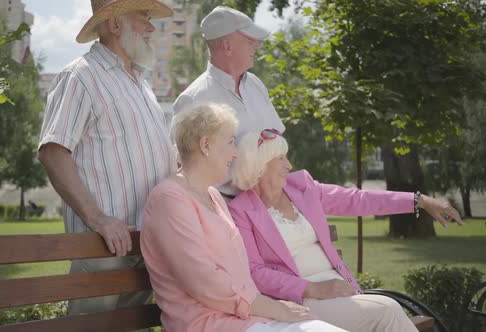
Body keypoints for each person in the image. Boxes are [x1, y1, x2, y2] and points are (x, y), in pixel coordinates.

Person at [227, 129, 464, 332]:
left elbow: (357, 199)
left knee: (385, 312)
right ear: (259, 164)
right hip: (299, 299)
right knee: (388, 310)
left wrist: (419, 201)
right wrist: (312, 288)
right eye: (280, 158)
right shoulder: (241, 210)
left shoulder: (302, 187)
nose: (288, 165)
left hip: (340, 288)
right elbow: (255, 272)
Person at [141, 104, 347, 332]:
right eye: (230, 142)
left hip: (247, 319)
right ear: (206, 145)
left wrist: (273, 309)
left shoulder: (212, 195)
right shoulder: (169, 200)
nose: (236, 153)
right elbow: (204, 282)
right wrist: (275, 309)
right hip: (208, 324)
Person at [37, 0, 176, 316]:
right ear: (115, 25)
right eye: (143, 17)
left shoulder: (141, 84)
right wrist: (98, 219)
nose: (152, 27)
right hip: (103, 245)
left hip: (145, 243)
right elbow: (52, 151)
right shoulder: (81, 77)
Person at [172, 6, 285, 198]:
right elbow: (182, 168)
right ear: (227, 45)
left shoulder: (256, 85)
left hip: (266, 203)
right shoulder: (193, 99)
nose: (256, 45)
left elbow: (277, 140)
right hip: (225, 208)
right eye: (250, 40)